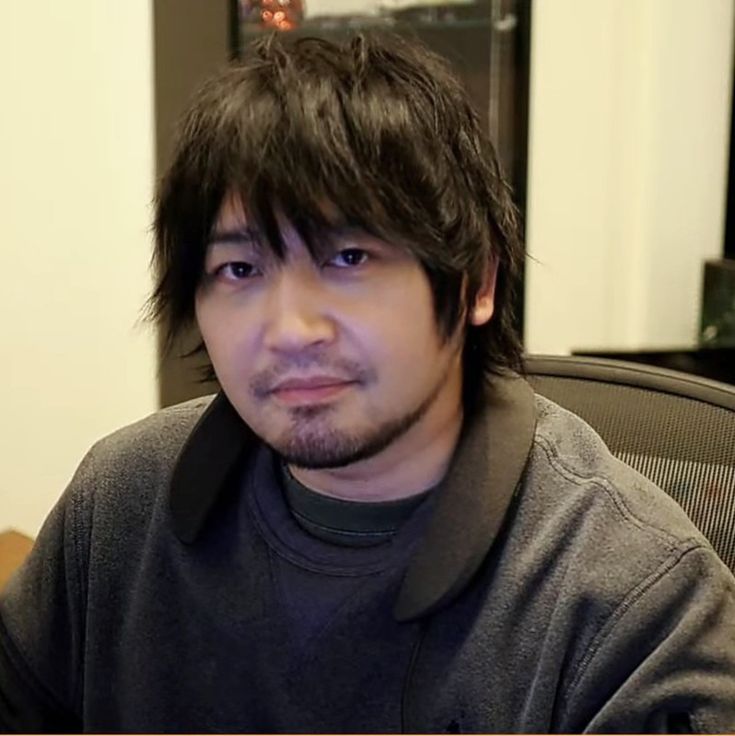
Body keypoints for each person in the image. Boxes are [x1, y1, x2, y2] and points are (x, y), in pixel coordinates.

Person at [1, 33, 734, 734]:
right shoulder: (120, 508)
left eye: (348, 257)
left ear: (476, 280)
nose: (289, 329)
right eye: (239, 270)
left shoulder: (632, 600)